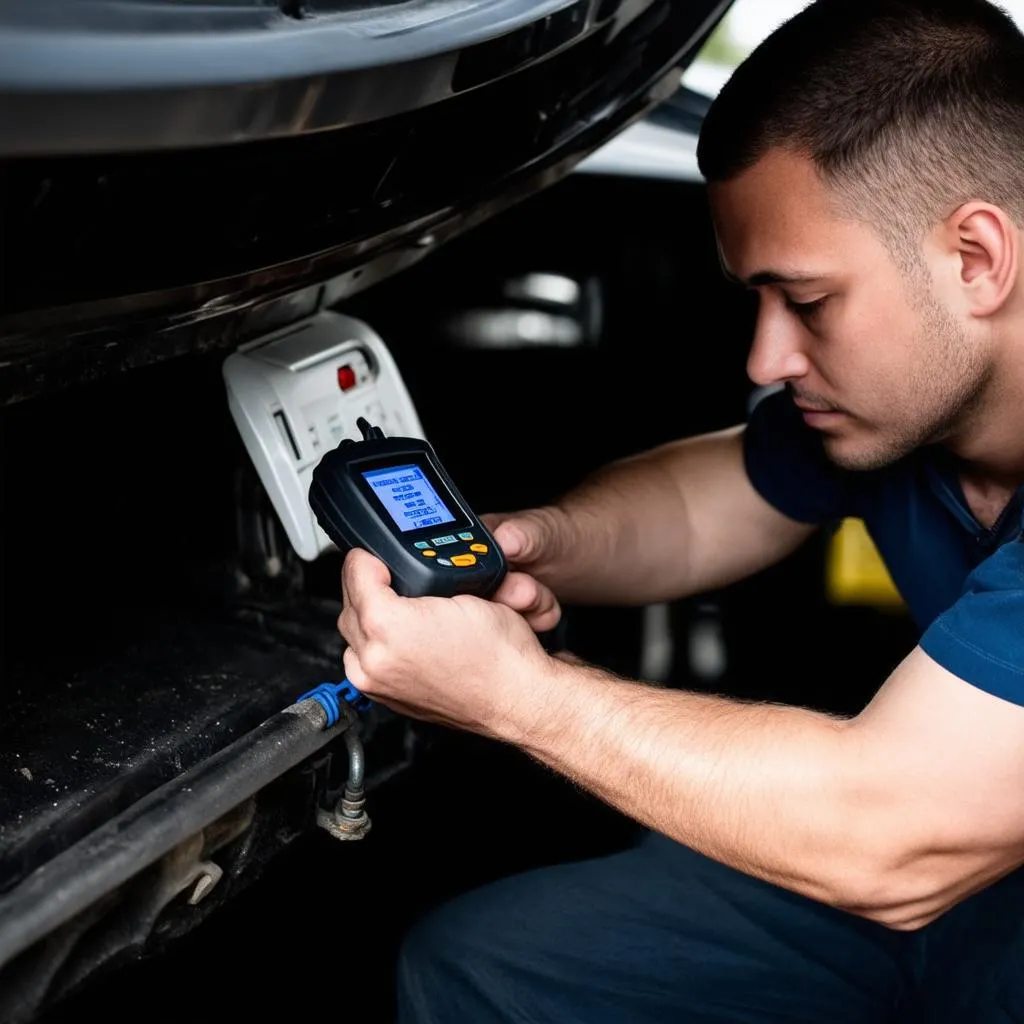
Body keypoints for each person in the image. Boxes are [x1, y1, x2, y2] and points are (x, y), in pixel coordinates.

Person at [338, 1, 1024, 1019]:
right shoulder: (902, 411)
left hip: (932, 860)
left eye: (807, 302)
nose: (765, 359)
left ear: (975, 257)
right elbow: (712, 500)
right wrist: (542, 545)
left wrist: (515, 695)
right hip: (943, 900)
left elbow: (892, 834)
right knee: (483, 967)